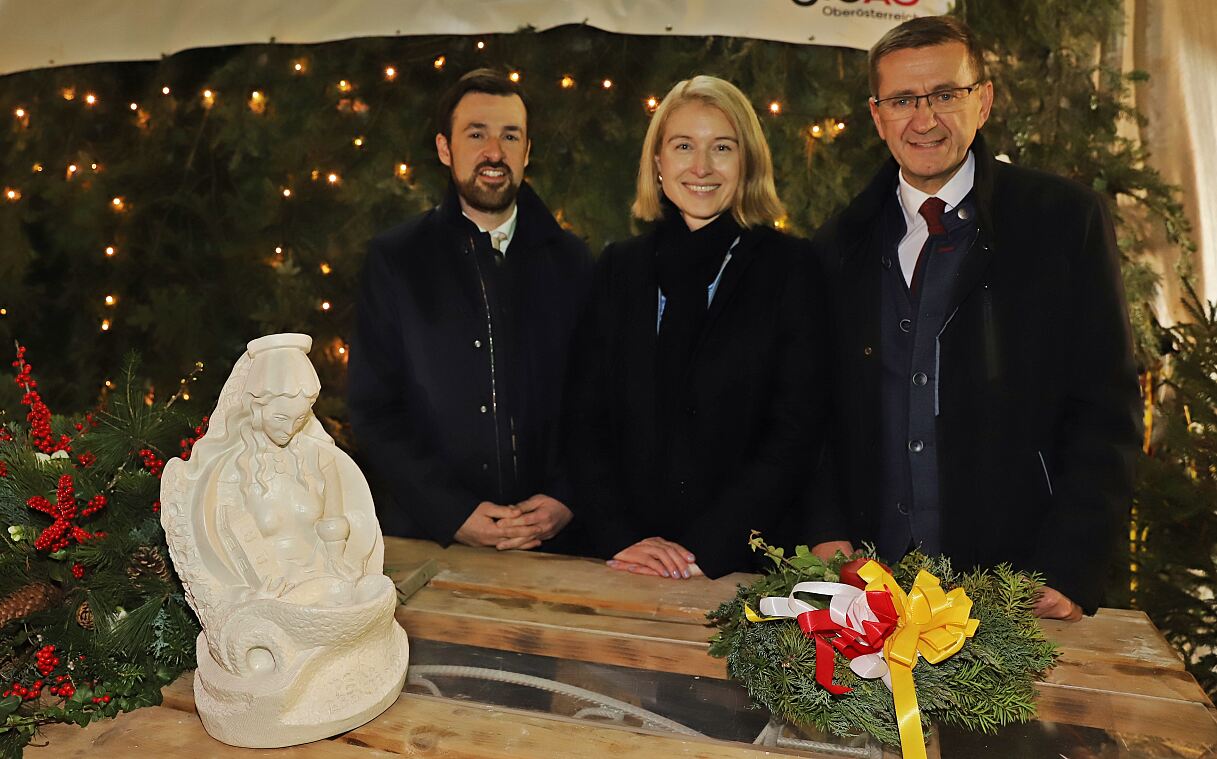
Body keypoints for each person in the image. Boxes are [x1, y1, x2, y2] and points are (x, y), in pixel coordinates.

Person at [809, 16, 1140, 619]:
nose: (924, 118)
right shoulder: (839, 244)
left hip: (1016, 588)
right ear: (877, 115)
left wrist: (1073, 564)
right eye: (903, 100)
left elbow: (1107, 408)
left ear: (983, 101)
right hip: (870, 589)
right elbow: (815, 413)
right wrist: (827, 533)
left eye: (945, 94)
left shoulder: (1063, 222)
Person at [567, 75, 824, 580]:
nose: (701, 166)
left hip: (741, 568)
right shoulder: (619, 267)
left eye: (721, 147)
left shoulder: (791, 268)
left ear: (747, 161)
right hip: (625, 561)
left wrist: (701, 551)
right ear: (658, 162)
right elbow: (583, 421)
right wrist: (622, 538)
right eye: (683, 146)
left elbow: (794, 433)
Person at [348, 69, 592, 554]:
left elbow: (600, 402)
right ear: (445, 148)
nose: (494, 153)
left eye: (509, 136)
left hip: (558, 545)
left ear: (527, 151)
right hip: (430, 541)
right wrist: (452, 512)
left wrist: (566, 496)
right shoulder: (396, 260)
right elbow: (374, 410)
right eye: (476, 134)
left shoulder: (574, 263)